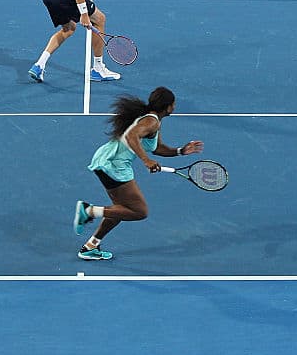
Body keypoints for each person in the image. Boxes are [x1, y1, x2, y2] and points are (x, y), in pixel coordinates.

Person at [73, 87, 204, 260]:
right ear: (168, 107)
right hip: (114, 165)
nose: (175, 107)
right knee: (139, 211)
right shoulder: (152, 122)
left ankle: (90, 246)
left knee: (120, 209)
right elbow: (131, 136)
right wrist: (146, 161)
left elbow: (156, 148)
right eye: (174, 104)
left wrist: (180, 151)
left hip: (107, 161)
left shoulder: (153, 120)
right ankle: (89, 211)